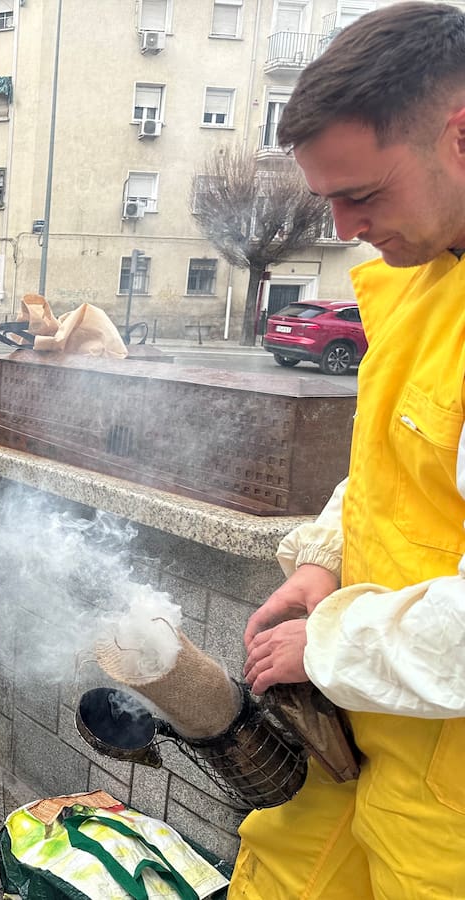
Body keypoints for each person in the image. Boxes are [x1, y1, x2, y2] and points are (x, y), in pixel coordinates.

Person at [235, 4, 465, 897]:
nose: (339, 229)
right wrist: (326, 561)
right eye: (326, 198)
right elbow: (399, 465)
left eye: (361, 195)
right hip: (368, 742)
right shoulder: (432, 272)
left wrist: (328, 645)